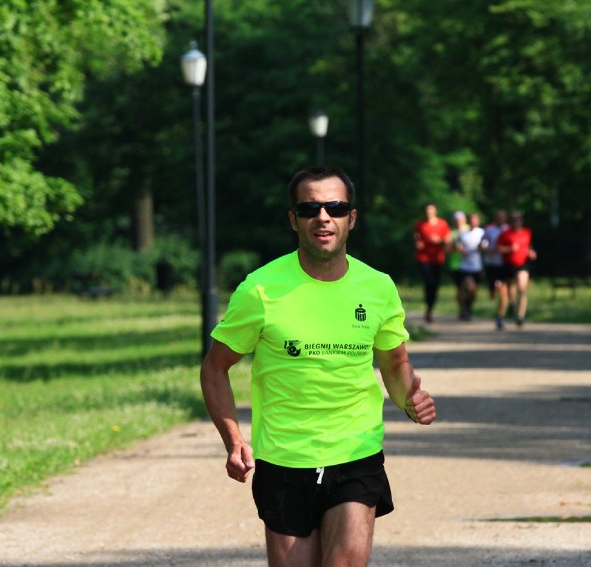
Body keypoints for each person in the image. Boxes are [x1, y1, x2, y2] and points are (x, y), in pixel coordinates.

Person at [200, 166, 436, 567]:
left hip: (356, 451)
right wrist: (233, 438)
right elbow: (214, 367)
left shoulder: (377, 287)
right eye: (309, 208)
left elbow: (395, 365)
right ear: (294, 220)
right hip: (285, 458)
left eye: (335, 207)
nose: (323, 216)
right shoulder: (260, 289)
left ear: (352, 218)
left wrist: (409, 399)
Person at [495, 211, 536, 330]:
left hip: (522, 265)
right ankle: (501, 316)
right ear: (510, 222)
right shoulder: (505, 234)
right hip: (507, 265)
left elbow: (528, 246)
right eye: (514, 220)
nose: (516, 222)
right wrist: (509, 249)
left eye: (518, 220)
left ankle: (520, 316)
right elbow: (498, 249)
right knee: (505, 295)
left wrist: (530, 252)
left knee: (522, 288)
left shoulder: (527, 232)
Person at [413, 202, 452, 323]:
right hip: (423, 258)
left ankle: (430, 308)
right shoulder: (420, 224)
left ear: (435, 211)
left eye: (431, 210)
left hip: (437, 258)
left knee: (434, 285)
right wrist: (418, 243)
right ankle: (428, 308)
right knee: (429, 283)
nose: (428, 213)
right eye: (426, 211)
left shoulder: (442, 224)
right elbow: (417, 237)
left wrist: (439, 240)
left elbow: (448, 240)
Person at [452, 212, 485, 321]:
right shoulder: (463, 233)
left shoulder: (482, 232)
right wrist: (460, 250)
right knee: (469, 287)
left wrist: (482, 248)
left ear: (478, 221)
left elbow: (486, 246)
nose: (473, 221)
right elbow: (454, 244)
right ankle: (464, 308)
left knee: (473, 291)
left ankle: (468, 307)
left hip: (477, 266)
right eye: (471, 219)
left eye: (475, 219)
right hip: (465, 267)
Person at [482, 209, 508, 301]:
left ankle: (504, 300)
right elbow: (483, 244)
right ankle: (493, 296)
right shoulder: (489, 229)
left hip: (504, 261)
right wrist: (491, 249)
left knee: (503, 283)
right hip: (491, 261)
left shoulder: (508, 229)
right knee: (492, 282)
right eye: (498, 217)